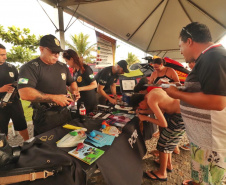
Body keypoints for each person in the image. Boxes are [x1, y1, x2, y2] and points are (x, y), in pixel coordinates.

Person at [165, 22, 226, 185]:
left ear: (190, 41)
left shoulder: (213, 57)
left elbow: (218, 101)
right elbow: (206, 89)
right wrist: (183, 88)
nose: (180, 51)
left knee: (211, 181)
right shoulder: (209, 58)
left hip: (211, 143)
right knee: (203, 178)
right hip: (204, 140)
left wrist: (176, 94)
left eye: (181, 46)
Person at [18, 34, 80, 136]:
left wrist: (74, 91)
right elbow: (24, 93)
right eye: (53, 51)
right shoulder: (30, 68)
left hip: (64, 113)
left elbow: (71, 82)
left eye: (58, 52)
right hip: (45, 116)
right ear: (41, 49)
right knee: (46, 147)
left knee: (67, 142)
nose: (56, 55)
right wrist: (54, 98)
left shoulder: (62, 66)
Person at [130, 89, 185, 181]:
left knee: (163, 143)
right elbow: (160, 107)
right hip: (179, 112)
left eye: (140, 107)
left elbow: (163, 124)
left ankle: (162, 173)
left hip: (179, 117)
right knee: (168, 141)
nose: (142, 108)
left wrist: (144, 118)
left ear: (140, 103)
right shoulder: (152, 93)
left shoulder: (150, 100)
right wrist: (145, 112)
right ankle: (168, 164)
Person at [0, 44, 29, 141]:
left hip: (15, 103)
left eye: (5, 54)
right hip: (1, 106)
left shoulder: (11, 67)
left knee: (22, 126)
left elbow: (20, 80)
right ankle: (5, 151)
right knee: (2, 132)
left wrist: (27, 80)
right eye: (2, 55)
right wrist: (1, 89)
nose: (5, 57)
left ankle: (28, 144)